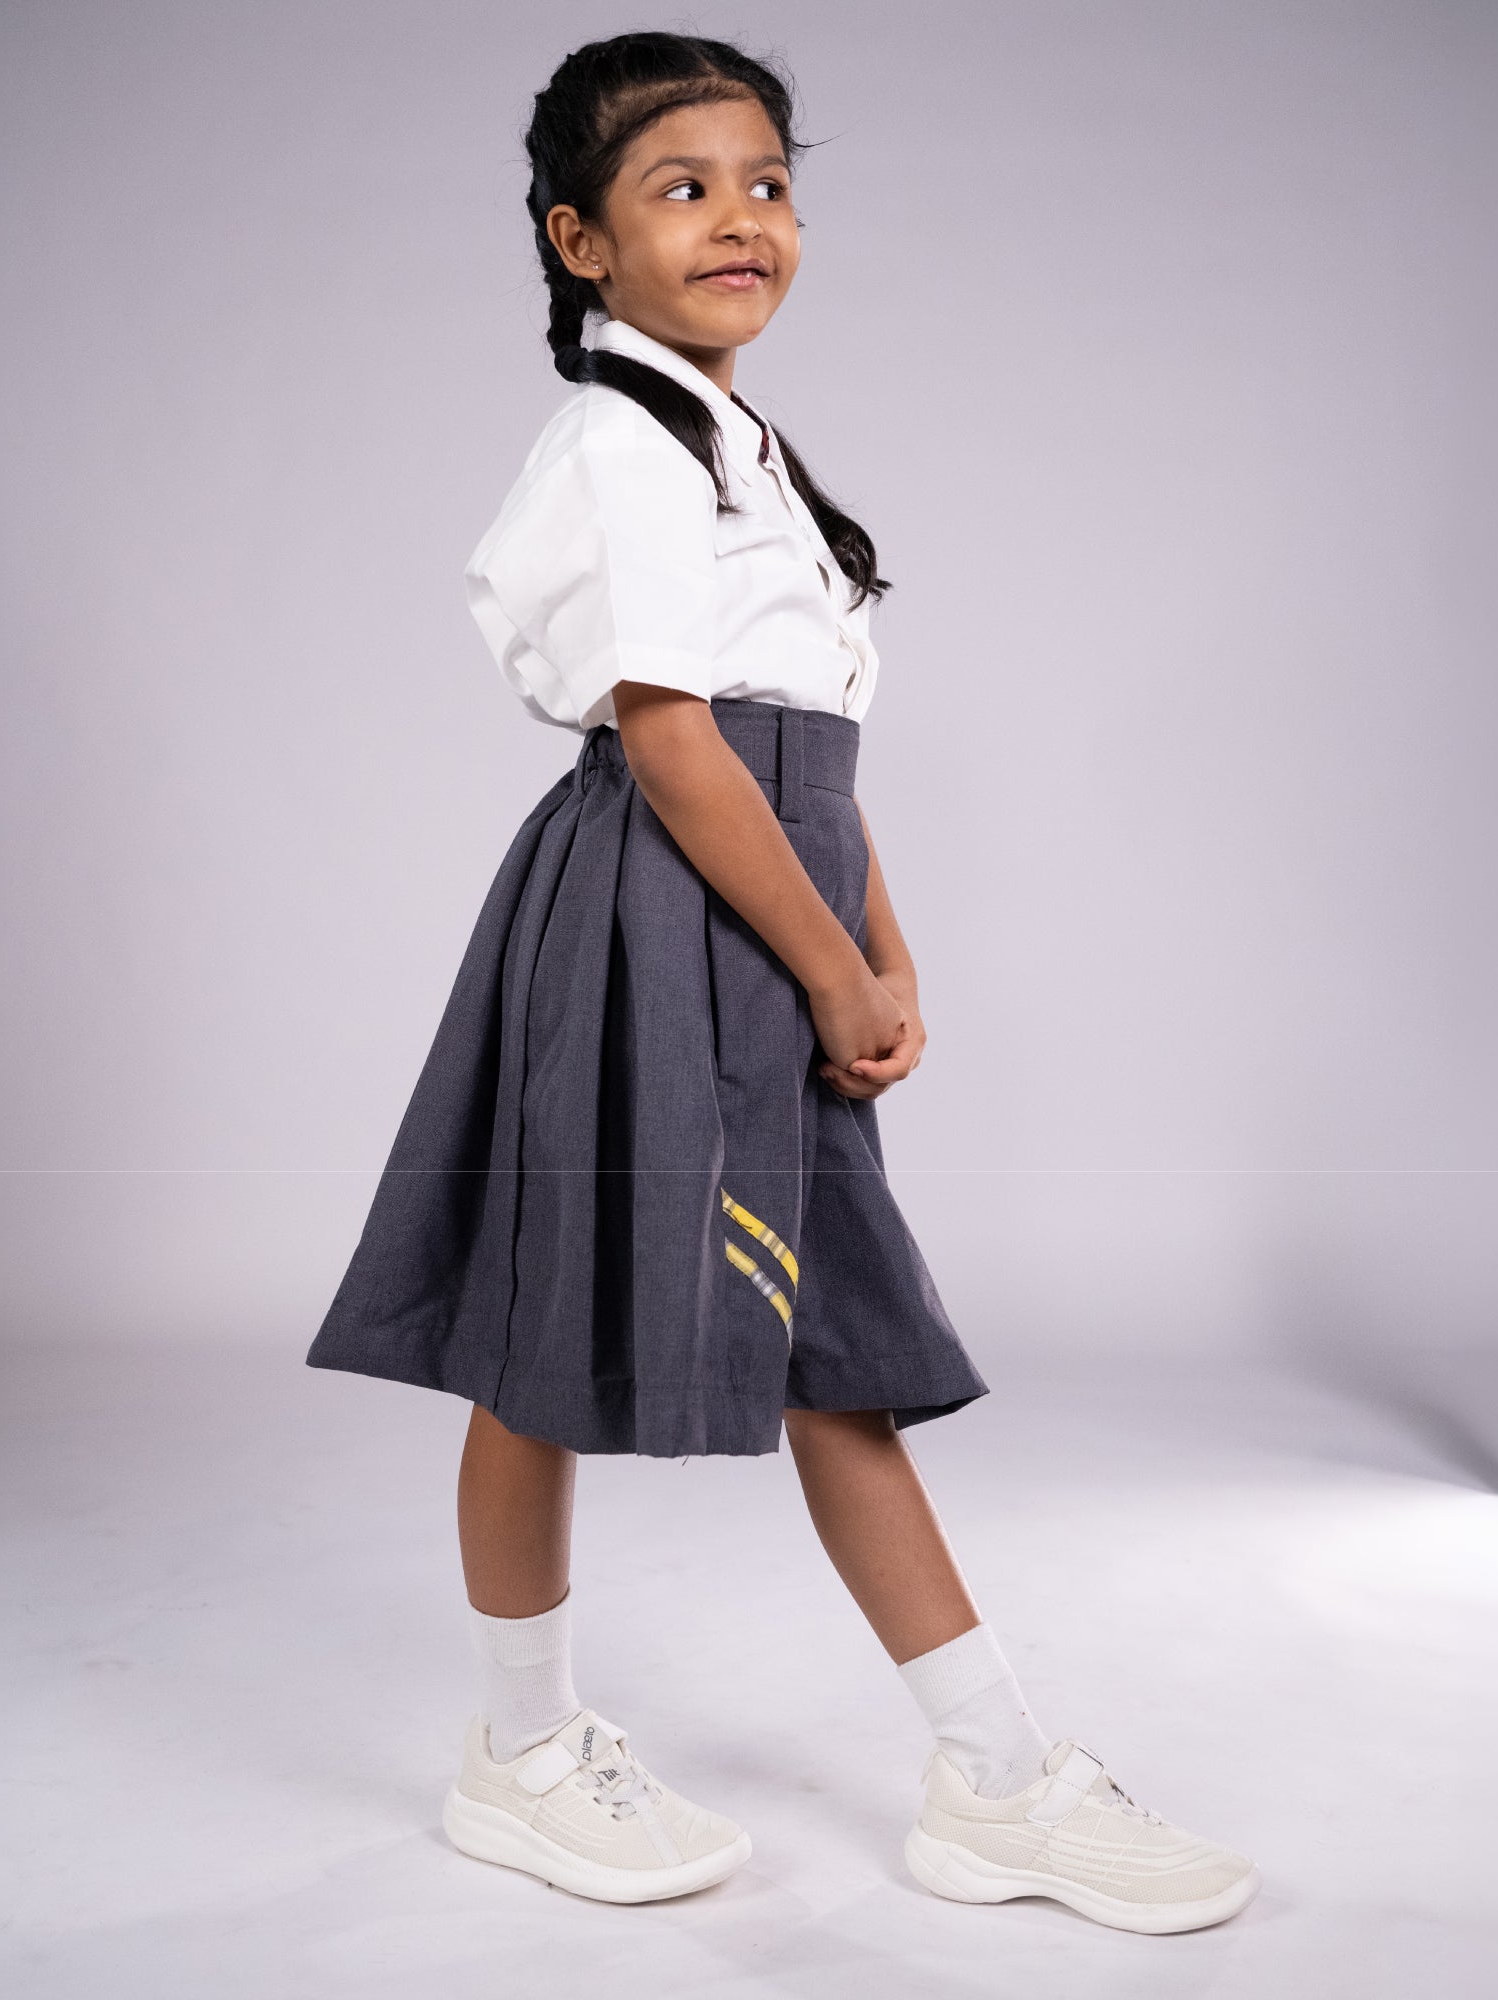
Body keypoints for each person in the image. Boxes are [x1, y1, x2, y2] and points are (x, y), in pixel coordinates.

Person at [308, 30, 1258, 1934]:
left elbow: (803, 744)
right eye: (683, 188)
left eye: (767, 183)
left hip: (771, 908)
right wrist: (831, 964)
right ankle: (523, 1750)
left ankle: (994, 1780)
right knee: (546, 1337)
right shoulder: (615, 441)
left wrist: (882, 941)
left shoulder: (747, 450)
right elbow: (673, 742)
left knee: (842, 1353)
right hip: (667, 916)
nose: (741, 218)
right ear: (582, 243)